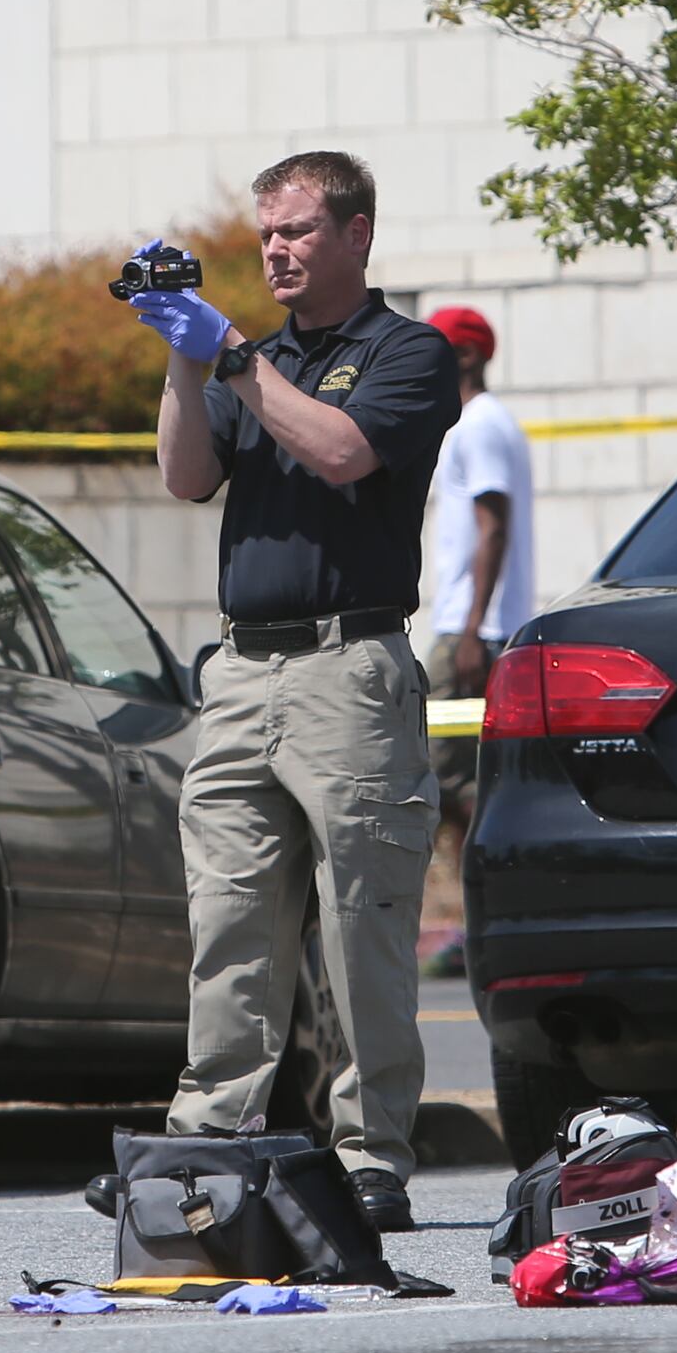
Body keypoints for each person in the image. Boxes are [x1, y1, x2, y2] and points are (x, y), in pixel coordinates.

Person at [127, 151, 459, 1233]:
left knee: (359, 923)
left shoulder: (408, 354)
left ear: (357, 234)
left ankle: (371, 1158)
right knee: (228, 917)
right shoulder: (248, 360)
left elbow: (342, 450)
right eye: (265, 233)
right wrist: (184, 356)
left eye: (298, 231)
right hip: (242, 670)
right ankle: (208, 1150)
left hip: (347, 669)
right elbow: (183, 476)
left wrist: (227, 358)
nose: (275, 249)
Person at [418, 306, 534, 699]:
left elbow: (493, 529)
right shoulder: (483, 421)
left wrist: (471, 633)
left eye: (434, 352)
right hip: (478, 629)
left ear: (466, 356)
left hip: (474, 634)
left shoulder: (480, 426)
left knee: (443, 758)